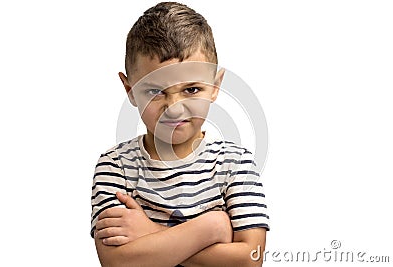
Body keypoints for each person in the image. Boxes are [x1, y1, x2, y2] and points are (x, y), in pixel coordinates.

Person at [90, 2, 270, 266]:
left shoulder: (236, 164)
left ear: (215, 86)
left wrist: (150, 232)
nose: (174, 109)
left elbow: (250, 259)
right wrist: (209, 228)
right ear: (130, 90)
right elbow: (117, 261)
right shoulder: (115, 166)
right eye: (154, 91)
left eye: (192, 89)